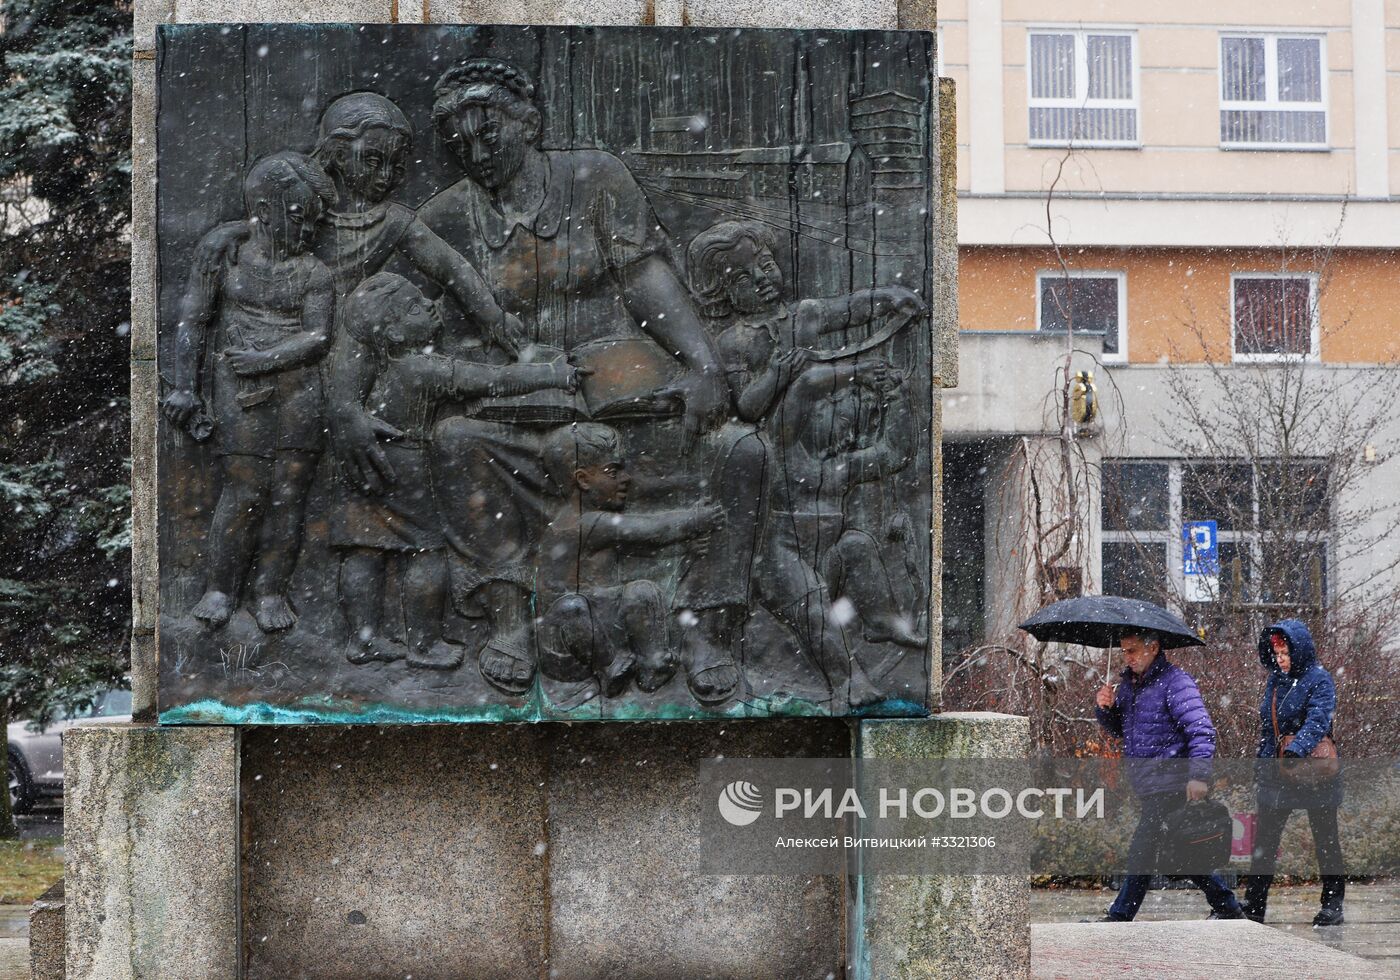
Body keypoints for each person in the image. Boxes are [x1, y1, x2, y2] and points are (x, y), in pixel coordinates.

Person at [415, 58, 732, 697]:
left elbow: (645, 279)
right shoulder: (444, 216)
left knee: (740, 450)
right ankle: (509, 617)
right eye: (460, 143)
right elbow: (411, 321)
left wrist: (704, 364)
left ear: (529, 121)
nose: (476, 153)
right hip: (517, 401)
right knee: (453, 441)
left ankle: (707, 628)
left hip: (620, 384)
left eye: (489, 131)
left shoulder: (596, 177)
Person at [332, 273, 583, 669]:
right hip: (406, 466)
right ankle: (424, 644)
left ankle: (363, 639)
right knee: (425, 551)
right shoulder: (424, 370)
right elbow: (495, 381)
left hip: (361, 466)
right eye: (415, 308)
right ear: (394, 335)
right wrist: (554, 374)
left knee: (363, 550)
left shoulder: (368, 374)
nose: (431, 306)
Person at [162, 151, 336, 633]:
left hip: (298, 390)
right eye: (298, 216)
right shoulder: (223, 250)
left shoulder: (314, 272)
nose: (306, 230)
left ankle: (271, 591)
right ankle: (220, 588)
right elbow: (193, 319)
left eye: (313, 221)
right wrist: (183, 387)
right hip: (238, 391)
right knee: (243, 491)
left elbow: (318, 336)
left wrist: (267, 358)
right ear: (265, 205)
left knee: (289, 495)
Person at [536, 423, 724, 697]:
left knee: (641, 590)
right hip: (567, 652)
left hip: (603, 629)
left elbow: (646, 559)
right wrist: (695, 520)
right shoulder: (584, 523)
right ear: (583, 480)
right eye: (613, 472)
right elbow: (650, 530)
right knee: (573, 607)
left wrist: (686, 551)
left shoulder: (595, 525)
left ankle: (653, 664)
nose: (626, 479)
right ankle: (611, 668)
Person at [1089, 632, 1246, 921]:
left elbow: (1201, 730)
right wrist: (1105, 709)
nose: (1128, 657)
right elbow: (1123, 732)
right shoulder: (1128, 686)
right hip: (1149, 783)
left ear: (1154, 647)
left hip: (1172, 780)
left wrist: (1198, 776)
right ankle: (1227, 906)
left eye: (1133, 650)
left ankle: (1120, 916)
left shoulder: (1175, 683)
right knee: (1185, 851)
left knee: (1142, 849)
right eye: (1124, 651)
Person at [1243, 619, 1345, 926]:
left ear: (1299, 651)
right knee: (1265, 841)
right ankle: (1254, 904)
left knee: (1325, 839)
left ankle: (1332, 903)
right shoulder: (1276, 680)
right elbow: (1268, 727)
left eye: (1286, 653)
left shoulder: (1320, 679)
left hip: (1314, 769)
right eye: (1277, 654)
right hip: (1278, 770)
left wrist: (1297, 747)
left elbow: (1319, 719)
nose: (1281, 660)